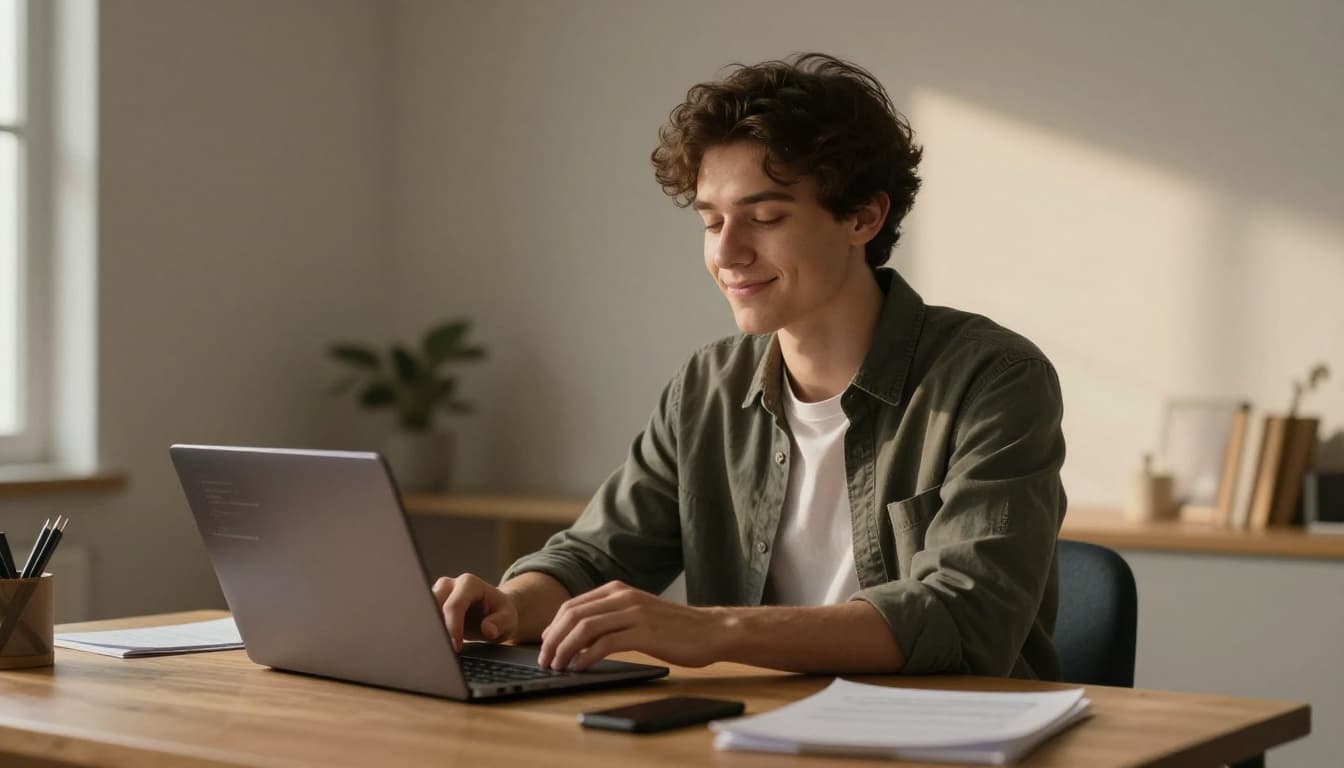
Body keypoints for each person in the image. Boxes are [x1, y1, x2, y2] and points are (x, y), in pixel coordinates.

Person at [433, 52, 1067, 680]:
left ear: (863, 217)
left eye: (765, 218)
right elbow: (598, 554)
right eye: (712, 222)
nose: (728, 252)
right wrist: (511, 607)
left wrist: (710, 630)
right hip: (752, 731)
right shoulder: (707, 386)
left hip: (948, 735)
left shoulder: (995, 379)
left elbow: (962, 614)